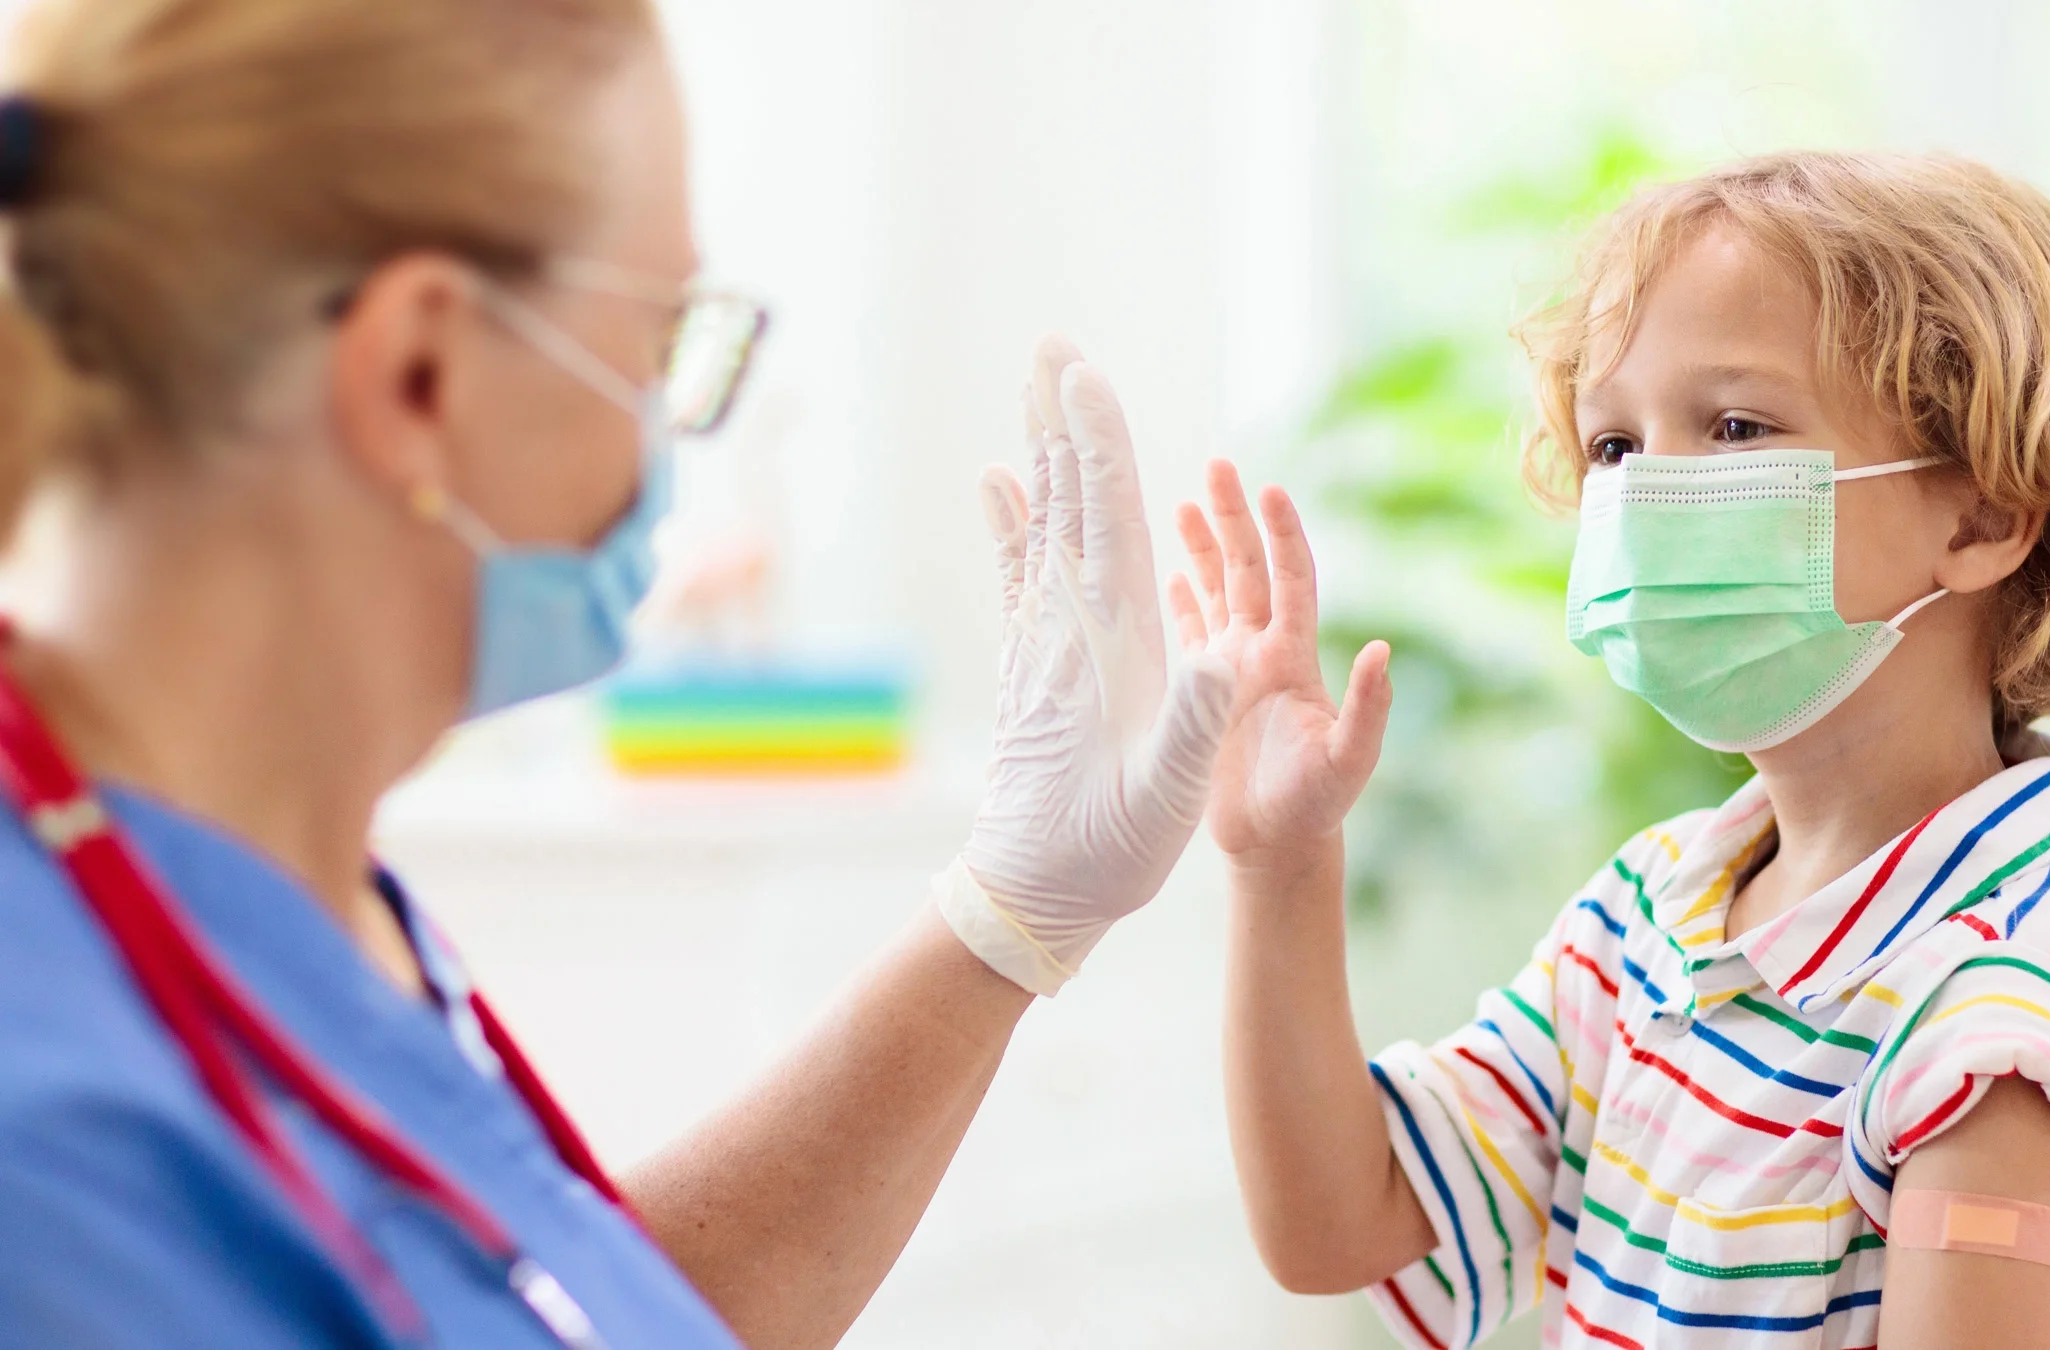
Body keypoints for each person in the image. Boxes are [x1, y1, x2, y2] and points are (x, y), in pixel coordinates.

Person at [0, 1, 1231, 1346]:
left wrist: (1003, 919)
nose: (665, 429)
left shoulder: (271, 880)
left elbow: (554, 1316)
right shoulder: (53, 1138)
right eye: (662, 339)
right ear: (421, 372)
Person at [1180, 152, 2050, 1348]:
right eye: (1614, 447)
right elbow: (1344, 1226)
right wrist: (1280, 866)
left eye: (1731, 426)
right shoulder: (1650, 919)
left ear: (1979, 516)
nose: (1647, 491)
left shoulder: (1986, 1035)